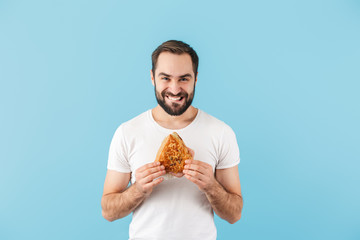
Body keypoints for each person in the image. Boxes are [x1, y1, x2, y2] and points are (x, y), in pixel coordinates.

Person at [101, 40, 243, 240]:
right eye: (165, 78)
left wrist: (211, 185)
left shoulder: (221, 132)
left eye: (184, 78)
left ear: (196, 79)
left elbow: (234, 214)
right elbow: (108, 211)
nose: (175, 89)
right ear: (152, 77)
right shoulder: (127, 132)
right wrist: (138, 189)